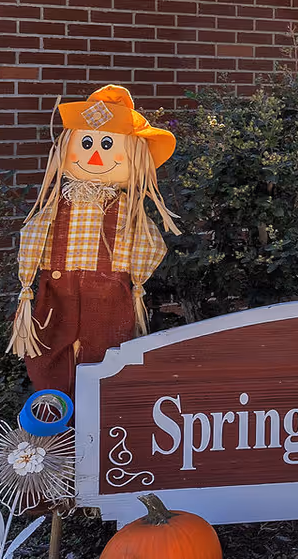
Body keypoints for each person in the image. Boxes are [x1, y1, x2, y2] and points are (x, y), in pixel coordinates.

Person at [12, 85, 180, 396]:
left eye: (107, 145)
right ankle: (58, 428)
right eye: (87, 143)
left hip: (109, 298)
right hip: (56, 294)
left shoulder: (127, 211)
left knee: (105, 361)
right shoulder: (56, 205)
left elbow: (150, 245)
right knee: (49, 361)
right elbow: (33, 234)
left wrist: (137, 279)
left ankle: (100, 426)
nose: (96, 154)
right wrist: (27, 282)